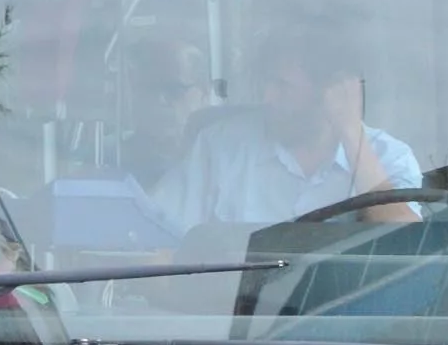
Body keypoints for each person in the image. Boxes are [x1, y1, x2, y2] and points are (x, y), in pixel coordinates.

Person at [153, 28, 425, 230]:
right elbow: (159, 229)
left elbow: (407, 245)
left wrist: (351, 133)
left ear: (329, 92)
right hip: (228, 303)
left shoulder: (389, 158)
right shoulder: (221, 146)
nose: (267, 98)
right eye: (266, 84)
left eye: (282, 86)